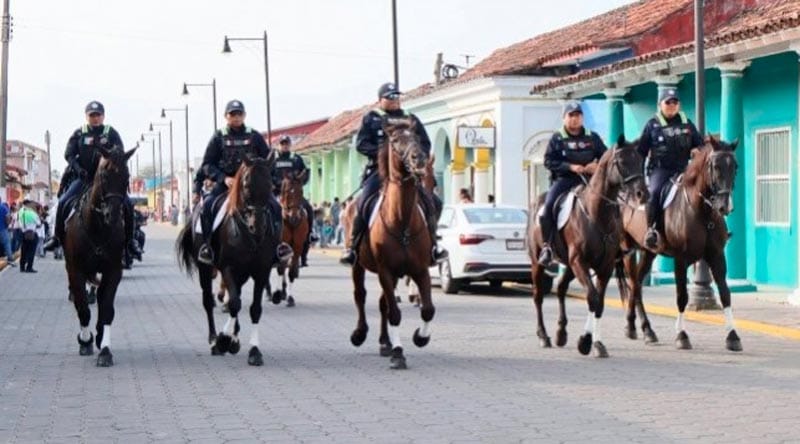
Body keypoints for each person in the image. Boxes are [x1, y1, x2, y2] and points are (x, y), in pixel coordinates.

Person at [340, 82, 448, 266]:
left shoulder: (410, 118)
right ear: (380, 100)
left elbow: (424, 143)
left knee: (434, 202)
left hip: (407, 171)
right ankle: (353, 247)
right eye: (390, 97)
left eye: (396, 96)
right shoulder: (371, 118)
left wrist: (417, 158)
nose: (394, 100)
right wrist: (384, 155)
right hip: (379, 170)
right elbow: (361, 144)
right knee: (363, 203)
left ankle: (433, 244)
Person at [194, 99, 289, 265]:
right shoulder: (218, 137)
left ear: (244, 115)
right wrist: (223, 178)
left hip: (251, 187)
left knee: (275, 207)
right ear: (226, 116)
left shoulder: (254, 136)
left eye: (239, 114)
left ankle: (278, 247)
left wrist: (270, 180)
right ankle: (208, 247)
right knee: (207, 207)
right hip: (226, 185)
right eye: (232, 114)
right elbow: (207, 164)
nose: (236, 117)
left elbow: (269, 161)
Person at [43, 101, 142, 260]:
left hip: (107, 182)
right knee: (63, 202)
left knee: (128, 205)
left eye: (98, 115)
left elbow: (120, 154)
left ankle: (131, 242)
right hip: (84, 178)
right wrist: (78, 169)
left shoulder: (111, 133)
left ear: (103, 116)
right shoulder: (79, 133)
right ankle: (57, 238)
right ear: (86, 116)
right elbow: (69, 154)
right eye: (92, 115)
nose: (95, 118)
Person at [538, 101, 607, 266]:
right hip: (564, 180)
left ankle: (615, 243)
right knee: (548, 207)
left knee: (611, 202)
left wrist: (597, 166)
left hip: (590, 181)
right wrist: (570, 167)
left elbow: (606, 158)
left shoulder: (593, 137)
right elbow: (548, 161)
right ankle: (547, 246)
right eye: (571, 115)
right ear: (564, 118)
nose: (575, 119)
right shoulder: (557, 138)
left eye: (578, 115)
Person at [638, 88, 704, 249]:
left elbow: (700, 145)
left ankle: (713, 227)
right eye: (668, 102)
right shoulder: (652, 125)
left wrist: (697, 150)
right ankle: (652, 230)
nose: (672, 106)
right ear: (660, 104)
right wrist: (640, 179)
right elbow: (641, 153)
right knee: (654, 193)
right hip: (661, 170)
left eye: (675, 102)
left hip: (684, 169)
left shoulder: (687, 123)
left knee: (705, 188)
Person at [271, 134, 316, 266]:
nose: (285, 146)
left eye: (287, 144)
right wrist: (274, 183)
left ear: (290, 145)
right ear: (278, 145)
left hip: (294, 193)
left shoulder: (296, 159)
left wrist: (300, 182)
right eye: (282, 144)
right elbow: (267, 174)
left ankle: (310, 233)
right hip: (277, 191)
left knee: (308, 208)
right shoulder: (273, 159)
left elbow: (305, 173)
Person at [18, 199, 41, 273]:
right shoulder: (32, 213)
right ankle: (29, 267)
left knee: (23, 251)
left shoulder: (21, 212)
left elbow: (19, 222)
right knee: (31, 251)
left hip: (23, 233)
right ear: (29, 205)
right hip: (32, 234)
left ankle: (22, 267)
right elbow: (39, 224)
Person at [0, 196, 16, 267]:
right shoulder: (3, 207)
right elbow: (8, 217)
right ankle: (10, 259)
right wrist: (7, 224)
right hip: (2, 229)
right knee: (7, 243)